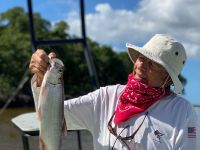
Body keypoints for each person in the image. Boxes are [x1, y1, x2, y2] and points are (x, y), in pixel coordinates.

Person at [29, 34, 199, 150]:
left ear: (168, 79)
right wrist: (41, 79)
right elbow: (51, 115)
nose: (140, 66)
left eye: (152, 64)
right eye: (141, 58)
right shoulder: (105, 97)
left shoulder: (183, 111)